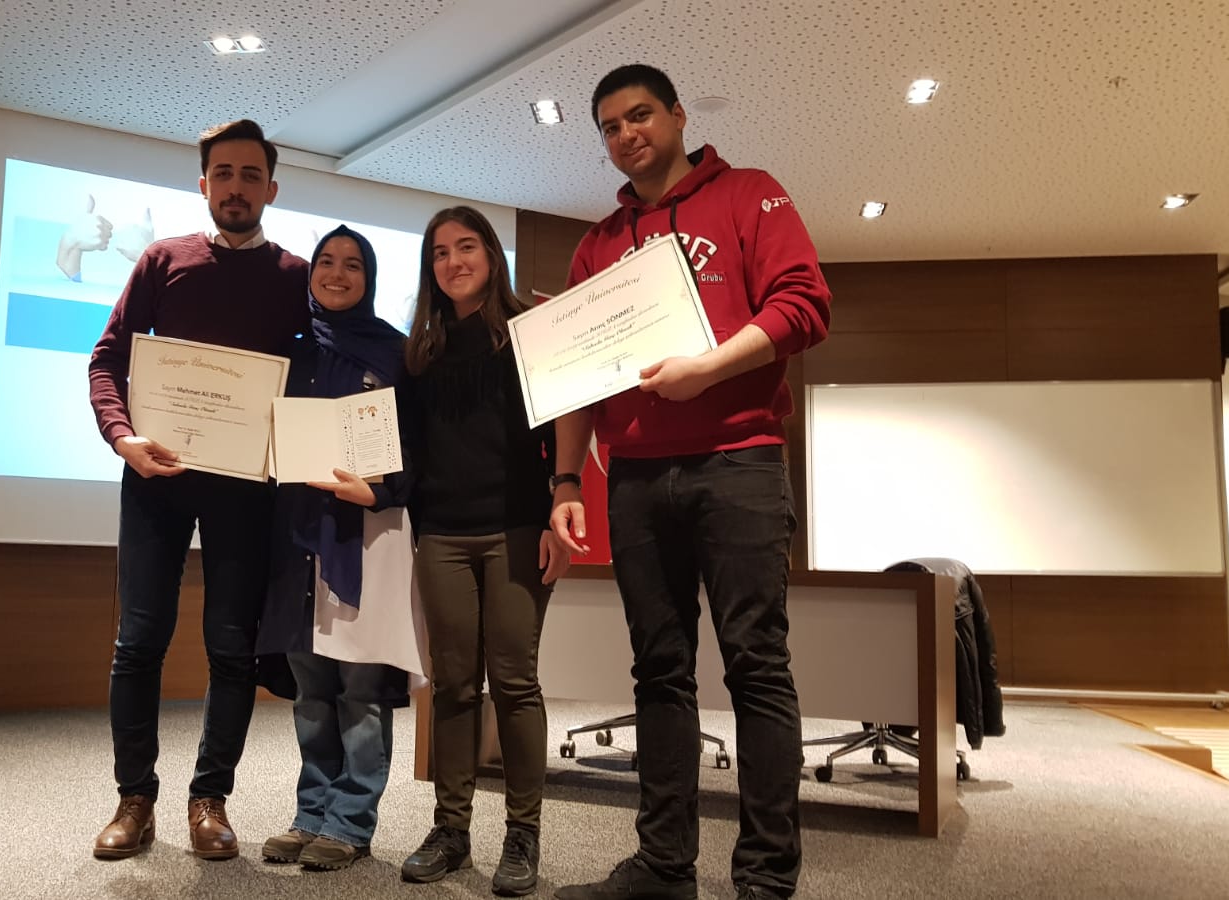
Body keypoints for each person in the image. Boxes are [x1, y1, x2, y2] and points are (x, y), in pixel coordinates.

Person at [550, 65, 832, 900]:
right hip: (636, 475)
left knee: (757, 667)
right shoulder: (599, 244)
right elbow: (576, 377)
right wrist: (565, 481)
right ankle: (665, 867)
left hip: (739, 461)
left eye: (639, 115)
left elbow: (805, 305)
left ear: (677, 116)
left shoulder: (749, 194)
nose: (626, 134)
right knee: (659, 671)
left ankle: (765, 879)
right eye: (609, 127)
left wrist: (709, 368)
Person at [86, 119, 310, 862]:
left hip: (246, 489)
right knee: (138, 642)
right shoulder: (163, 258)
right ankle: (134, 799)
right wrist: (123, 437)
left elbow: (313, 376)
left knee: (232, 649)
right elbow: (108, 359)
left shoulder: (294, 275)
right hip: (157, 478)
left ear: (270, 189)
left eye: (251, 175)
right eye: (224, 173)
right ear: (204, 183)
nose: (236, 187)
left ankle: (209, 799)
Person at [398, 206, 572, 898]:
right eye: (439, 253)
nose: (453, 262)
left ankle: (522, 833)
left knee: (515, 682)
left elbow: (565, 429)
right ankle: (451, 830)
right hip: (440, 535)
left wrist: (559, 513)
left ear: (492, 255)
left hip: (516, 530)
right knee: (453, 685)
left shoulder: (530, 333)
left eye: (466, 246)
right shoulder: (421, 352)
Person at [255, 225, 427, 872]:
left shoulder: (396, 354)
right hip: (297, 540)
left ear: (369, 278)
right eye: (325, 261)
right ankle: (311, 813)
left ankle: (351, 822)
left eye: (353, 264)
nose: (336, 273)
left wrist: (380, 490)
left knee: (361, 687)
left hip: (366, 538)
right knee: (310, 686)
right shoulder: (288, 351)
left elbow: (421, 448)